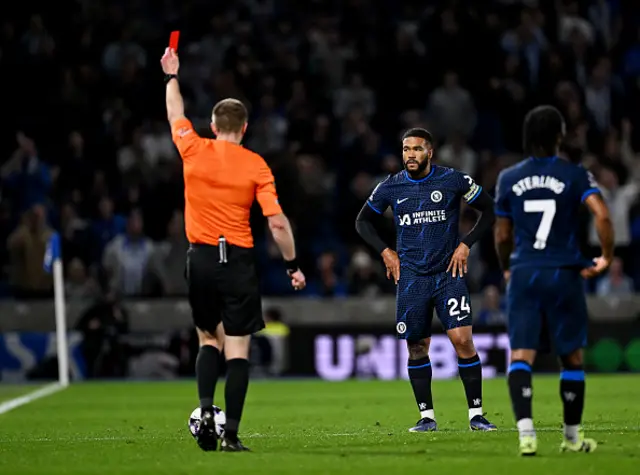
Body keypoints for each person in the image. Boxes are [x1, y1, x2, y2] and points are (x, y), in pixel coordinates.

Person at [160, 47, 306, 452]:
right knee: (238, 347)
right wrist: (293, 264)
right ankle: (232, 435)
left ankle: (206, 409)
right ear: (244, 129)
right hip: (237, 259)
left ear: (211, 125)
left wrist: (172, 75)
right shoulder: (256, 165)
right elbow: (276, 222)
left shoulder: (193, 147)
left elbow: (175, 114)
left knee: (209, 339)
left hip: (200, 258)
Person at [355, 127, 497, 432]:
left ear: (429, 152)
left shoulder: (452, 180)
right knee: (417, 347)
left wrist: (465, 244)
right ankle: (427, 417)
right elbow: (362, 221)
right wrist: (385, 252)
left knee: (462, 340)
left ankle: (476, 415)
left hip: (449, 274)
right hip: (411, 279)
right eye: (406, 149)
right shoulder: (390, 187)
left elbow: (490, 209)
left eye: (417, 149)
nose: (410, 155)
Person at [494, 105, 614, 456]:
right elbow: (602, 215)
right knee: (572, 357)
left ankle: (526, 435)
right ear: (559, 136)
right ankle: (572, 438)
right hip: (564, 272)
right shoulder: (575, 175)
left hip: (525, 271)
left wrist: (506, 267)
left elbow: (502, 235)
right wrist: (605, 256)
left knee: (521, 355)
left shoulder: (508, 177)